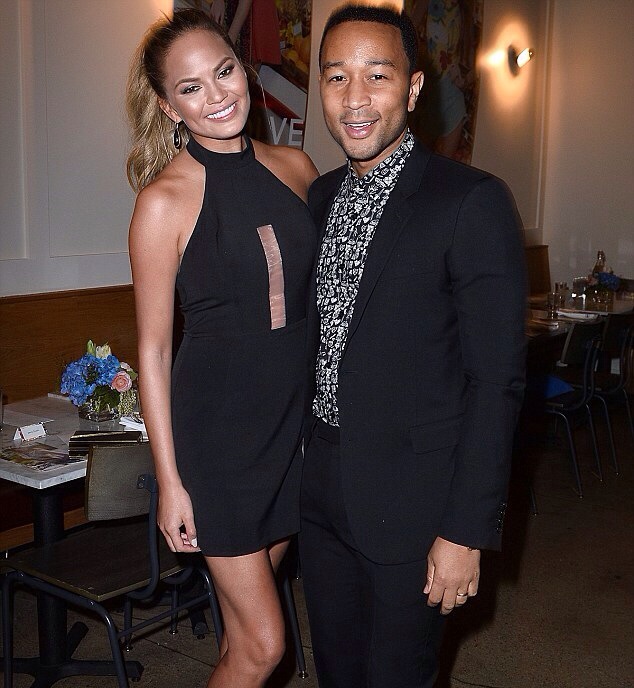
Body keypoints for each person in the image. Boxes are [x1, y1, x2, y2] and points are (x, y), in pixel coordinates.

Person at [299, 5, 527, 687]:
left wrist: (465, 530)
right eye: (336, 77)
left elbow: (497, 381)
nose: (355, 98)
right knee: (337, 672)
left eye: (377, 75)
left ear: (414, 87)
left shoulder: (470, 200)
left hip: (415, 501)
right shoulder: (319, 197)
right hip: (321, 489)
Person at [126, 9, 317, 687]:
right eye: (191, 87)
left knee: (241, 640)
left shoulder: (297, 168)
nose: (217, 95)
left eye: (225, 71)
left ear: (243, 68)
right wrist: (171, 482)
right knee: (266, 646)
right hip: (219, 443)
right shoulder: (163, 202)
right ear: (167, 106)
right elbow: (153, 350)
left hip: (292, 429)